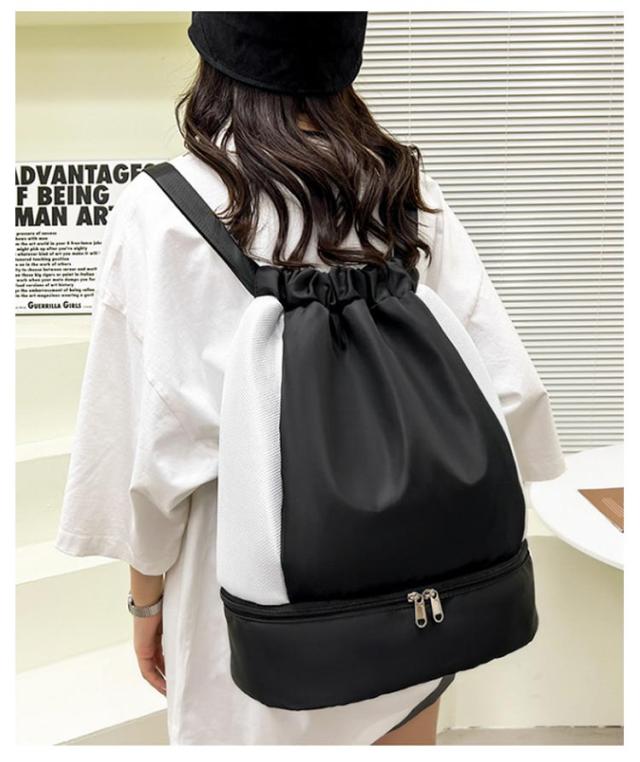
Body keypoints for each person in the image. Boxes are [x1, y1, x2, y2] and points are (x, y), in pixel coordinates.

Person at [55, 12, 566, 746]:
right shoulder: (402, 189)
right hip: (415, 597)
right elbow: (508, 391)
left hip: (252, 604)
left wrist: (145, 601)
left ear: (214, 56)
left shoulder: (161, 210)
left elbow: (144, 448)